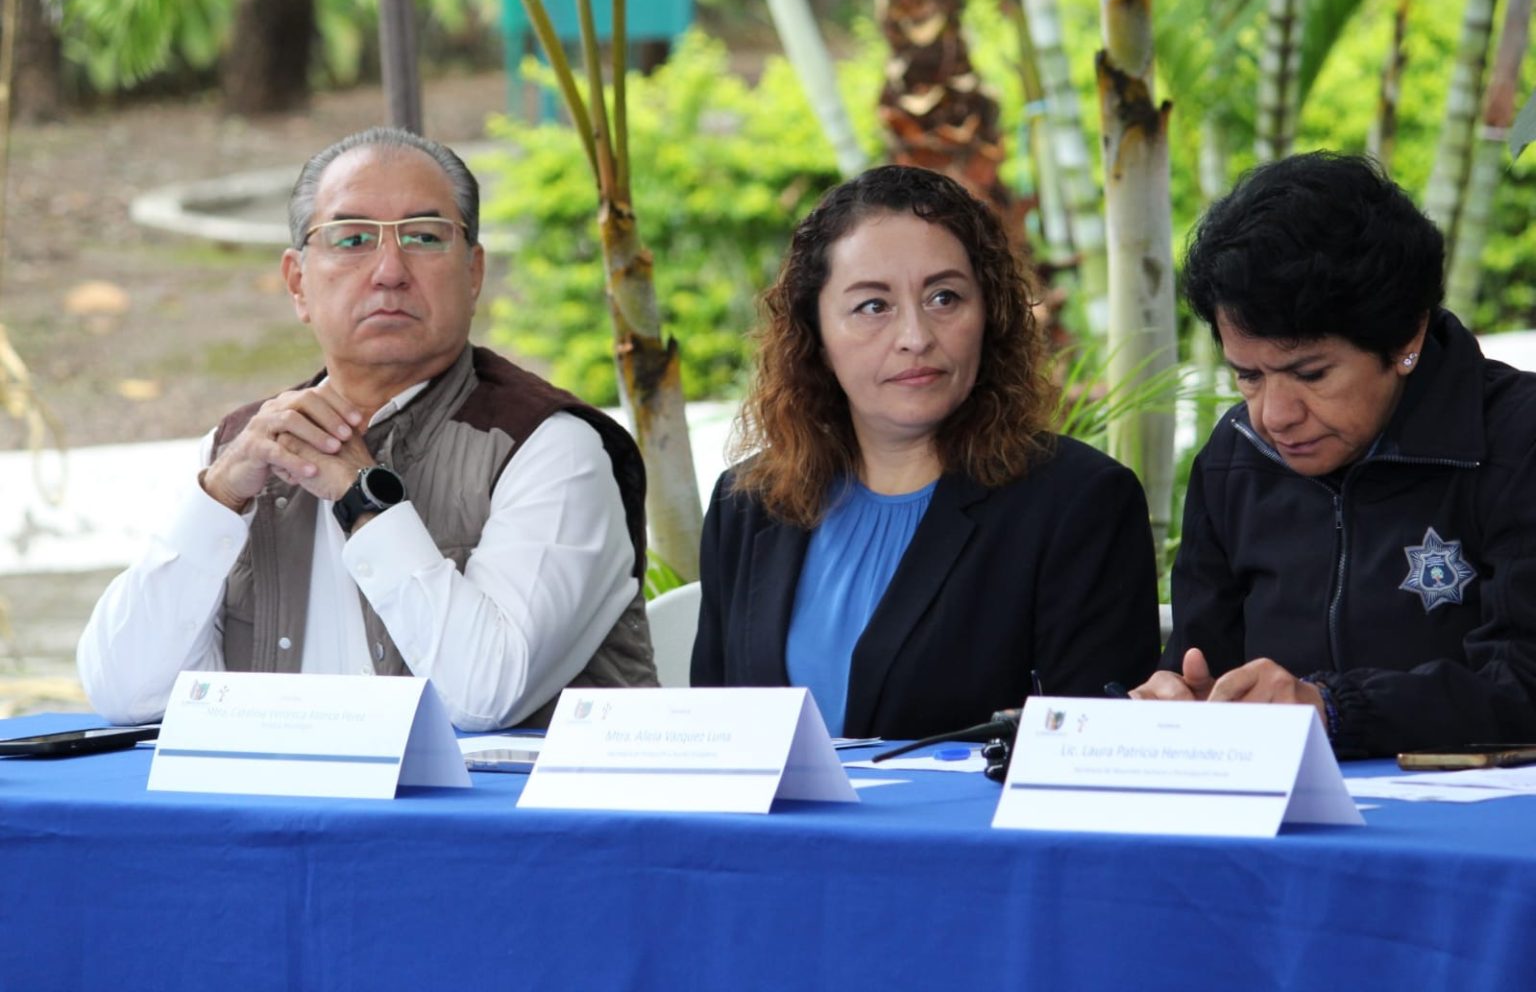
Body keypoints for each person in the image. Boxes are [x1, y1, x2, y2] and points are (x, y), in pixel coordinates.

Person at [77, 126, 657, 731]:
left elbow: (484, 697)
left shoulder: (549, 447)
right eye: (351, 239)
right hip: (276, 793)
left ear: (473, 273)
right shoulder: (240, 449)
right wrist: (220, 498)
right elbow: (124, 692)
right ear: (298, 283)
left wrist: (365, 500)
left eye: (424, 237)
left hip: (491, 798)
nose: (389, 271)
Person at [690, 165, 1161, 738]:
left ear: (989, 314)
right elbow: (715, 740)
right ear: (815, 334)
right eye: (873, 306)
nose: (915, 337)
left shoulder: (1081, 503)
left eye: (944, 297)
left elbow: (1090, 751)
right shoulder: (747, 504)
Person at [1134, 151, 1536, 757]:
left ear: (1406, 339)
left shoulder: (1517, 439)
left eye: (1311, 374)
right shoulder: (1234, 459)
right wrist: (1177, 703)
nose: (1274, 416)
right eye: (1248, 376)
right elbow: (1201, 666)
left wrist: (1335, 710)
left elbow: (1523, 684)